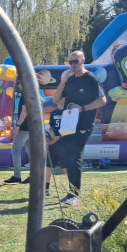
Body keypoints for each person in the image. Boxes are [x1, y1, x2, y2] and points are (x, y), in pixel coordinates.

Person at [52, 51, 106, 206]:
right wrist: (63, 81)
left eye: (76, 61)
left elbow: (102, 100)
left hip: (83, 125)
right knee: (68, 156)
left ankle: (75, 195)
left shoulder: (90, 78)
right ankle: (71, 193)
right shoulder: (69, 79)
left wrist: (82, 108)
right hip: (69, 124)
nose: (73, 65)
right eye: (70, 62)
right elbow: (56, 100)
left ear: (83, 60)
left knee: (75, 156)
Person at [7, 93, 31, 184]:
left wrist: (18, 125)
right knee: (30, 151)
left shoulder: (25, 95)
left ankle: (17, 175)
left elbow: (24, 111)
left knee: (15, 149)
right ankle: (33, 175)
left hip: (24, 127)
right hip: (32, 127)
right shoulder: (33, 93)